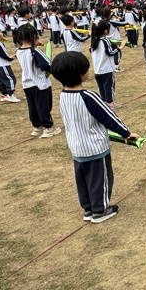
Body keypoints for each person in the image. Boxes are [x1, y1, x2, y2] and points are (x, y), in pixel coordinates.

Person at [53, 51, 136, 224]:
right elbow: (108, 117)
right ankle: (100, 210)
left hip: (77, 147)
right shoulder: (88, 96)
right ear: (81, 74)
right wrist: (126, 133)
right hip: (95, 147)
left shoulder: (63, 95)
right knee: (100, 179)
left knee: (83, 179)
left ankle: (88, 209)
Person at [15, 24, 60, 138]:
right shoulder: (35, 52)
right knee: (44, 106)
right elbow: (46, 64)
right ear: (34, 36)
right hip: (40, 84)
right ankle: (48, 127)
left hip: (27, 83)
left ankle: (37, 127)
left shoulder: (18, 51)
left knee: (33, 106)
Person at [89, 19, 124, 107]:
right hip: (107, 69)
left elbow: (90, 50)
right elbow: (110, 52)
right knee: (109, 86)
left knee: (101, 87)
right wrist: (120, 48)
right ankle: (110, 103)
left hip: (97, 70)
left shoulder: (93, 41)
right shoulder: (105, 41)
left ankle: (104, 102)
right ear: (105, 31)